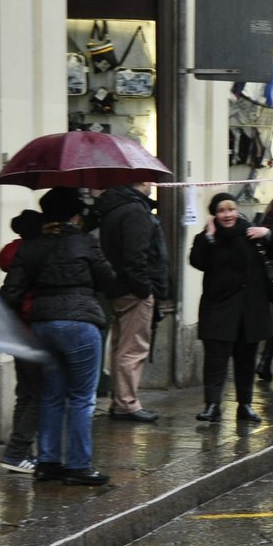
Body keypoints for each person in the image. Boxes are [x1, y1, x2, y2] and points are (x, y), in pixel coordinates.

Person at [0, 189, 118, 485]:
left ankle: (48, 463)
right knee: (81, 398)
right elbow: (109, 281)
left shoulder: (31, 246)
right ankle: (78, 466)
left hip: (42, 324)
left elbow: (10, 293)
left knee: (51, 395)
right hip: (80, 323)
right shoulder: (85, 242)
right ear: (76, 216)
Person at [189, 193, 273, 425]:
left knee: (246, 360)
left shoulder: (252, 233)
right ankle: (212, 405)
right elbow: (197, 261)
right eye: (222, 211)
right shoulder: (207, 239)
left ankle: (245, 404)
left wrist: (269, 234)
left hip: (250, 310)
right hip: (219, 309)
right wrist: (208, 237)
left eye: (231, 209)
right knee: (215, 360)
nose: (227, 215)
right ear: (215, 214)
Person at [95, 179, 169, 422]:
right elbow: (135, 256)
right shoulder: (135, 211)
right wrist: (144, 289)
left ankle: (121, 400)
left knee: (121, 346)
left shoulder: (112, 208)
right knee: (133, 348)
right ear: (144, 182)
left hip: (117, 288)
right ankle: (127, 403)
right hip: (134, 290)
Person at [0, 210, 46, 474]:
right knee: (37, 394)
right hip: (31, 330)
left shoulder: (13, 254)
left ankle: (22, 452)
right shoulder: (32, 255)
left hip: (17, 332)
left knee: (25, 393)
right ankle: (17, 452)